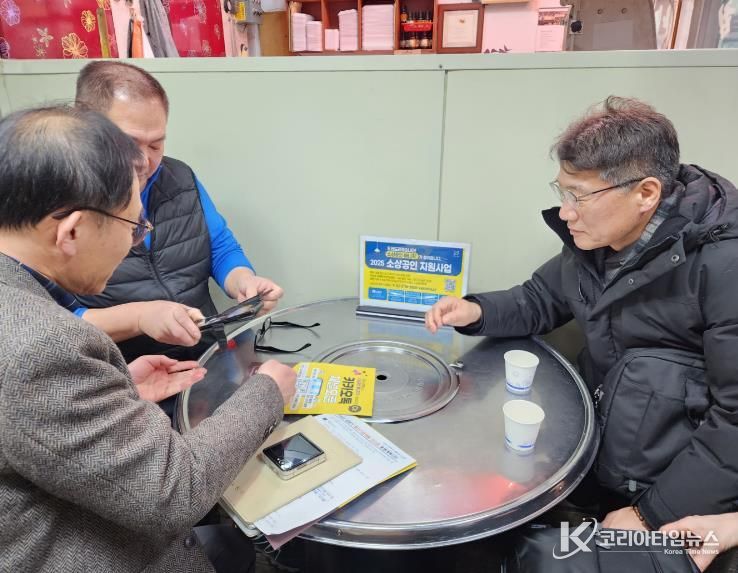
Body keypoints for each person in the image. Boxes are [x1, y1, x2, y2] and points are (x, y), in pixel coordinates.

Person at [0, 105, 296, 572]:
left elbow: (29, 424)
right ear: (72, 231)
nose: (135, 242)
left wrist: (120, 390)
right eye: (133, 227)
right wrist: (268, 392)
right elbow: (174, 491)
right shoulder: (42, 344)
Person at [426, 96, 738, 531]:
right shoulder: (598, 241)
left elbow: (733, 421)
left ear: (646, 193)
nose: (565, 212)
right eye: (563, 192)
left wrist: (652, 515)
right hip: (593, 458)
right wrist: (476, 310)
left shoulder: (723, 265)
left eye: (580, 196)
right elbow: (539, 299)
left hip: (667, 493)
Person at [73, 60, 283, 364]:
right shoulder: (59, 205)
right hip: (122, 371)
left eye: (156, 145)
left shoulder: (180, 178)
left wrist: (244, 282)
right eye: (129, 144)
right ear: (85, 129)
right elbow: (52, 321)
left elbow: (219, 246)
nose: (144, 161)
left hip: (205, 353)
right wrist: (140, 317)